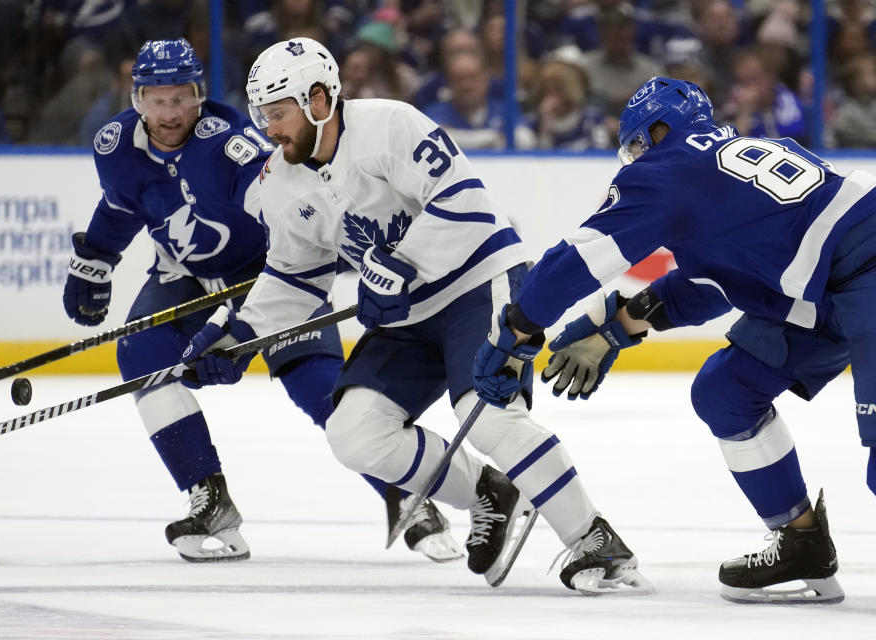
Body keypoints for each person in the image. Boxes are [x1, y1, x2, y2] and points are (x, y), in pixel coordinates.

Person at [182, 36, 651, 594]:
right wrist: (239, 337)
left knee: (489, 414)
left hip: (478, 283)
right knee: (353, 434)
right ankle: (488, 491)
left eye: (278, 114)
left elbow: (460, 197)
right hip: (404, 317)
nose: (268, 129)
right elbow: (294, 275)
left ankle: (596, 542)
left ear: (317, 99)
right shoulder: (280, 184)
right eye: (261, 115)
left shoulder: (387, 125)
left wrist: (400, 265)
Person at [474, 76, 873, 604]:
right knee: (726, 391)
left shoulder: (666, 168)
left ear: (660, 130)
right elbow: (717, 281)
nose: (635, 158)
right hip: (833, 287)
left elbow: (579, 259)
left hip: (861, 277)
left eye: (638, 143)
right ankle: (801, 542)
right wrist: (619, 328)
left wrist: (518, 329)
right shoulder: (729, 161)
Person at [63, 37, 460, 564]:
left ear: (199, 95)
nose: (170, 111)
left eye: (181, 97)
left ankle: (405, 492)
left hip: (272, 272)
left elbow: (292, 213)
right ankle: (209, 498)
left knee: (319, 386)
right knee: (141, 353)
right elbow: (121, 205)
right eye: (158, 100)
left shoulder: (231, 147)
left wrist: (266, 307)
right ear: (136, 98)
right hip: (186, 274)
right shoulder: (113, 145)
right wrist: (94, 259)